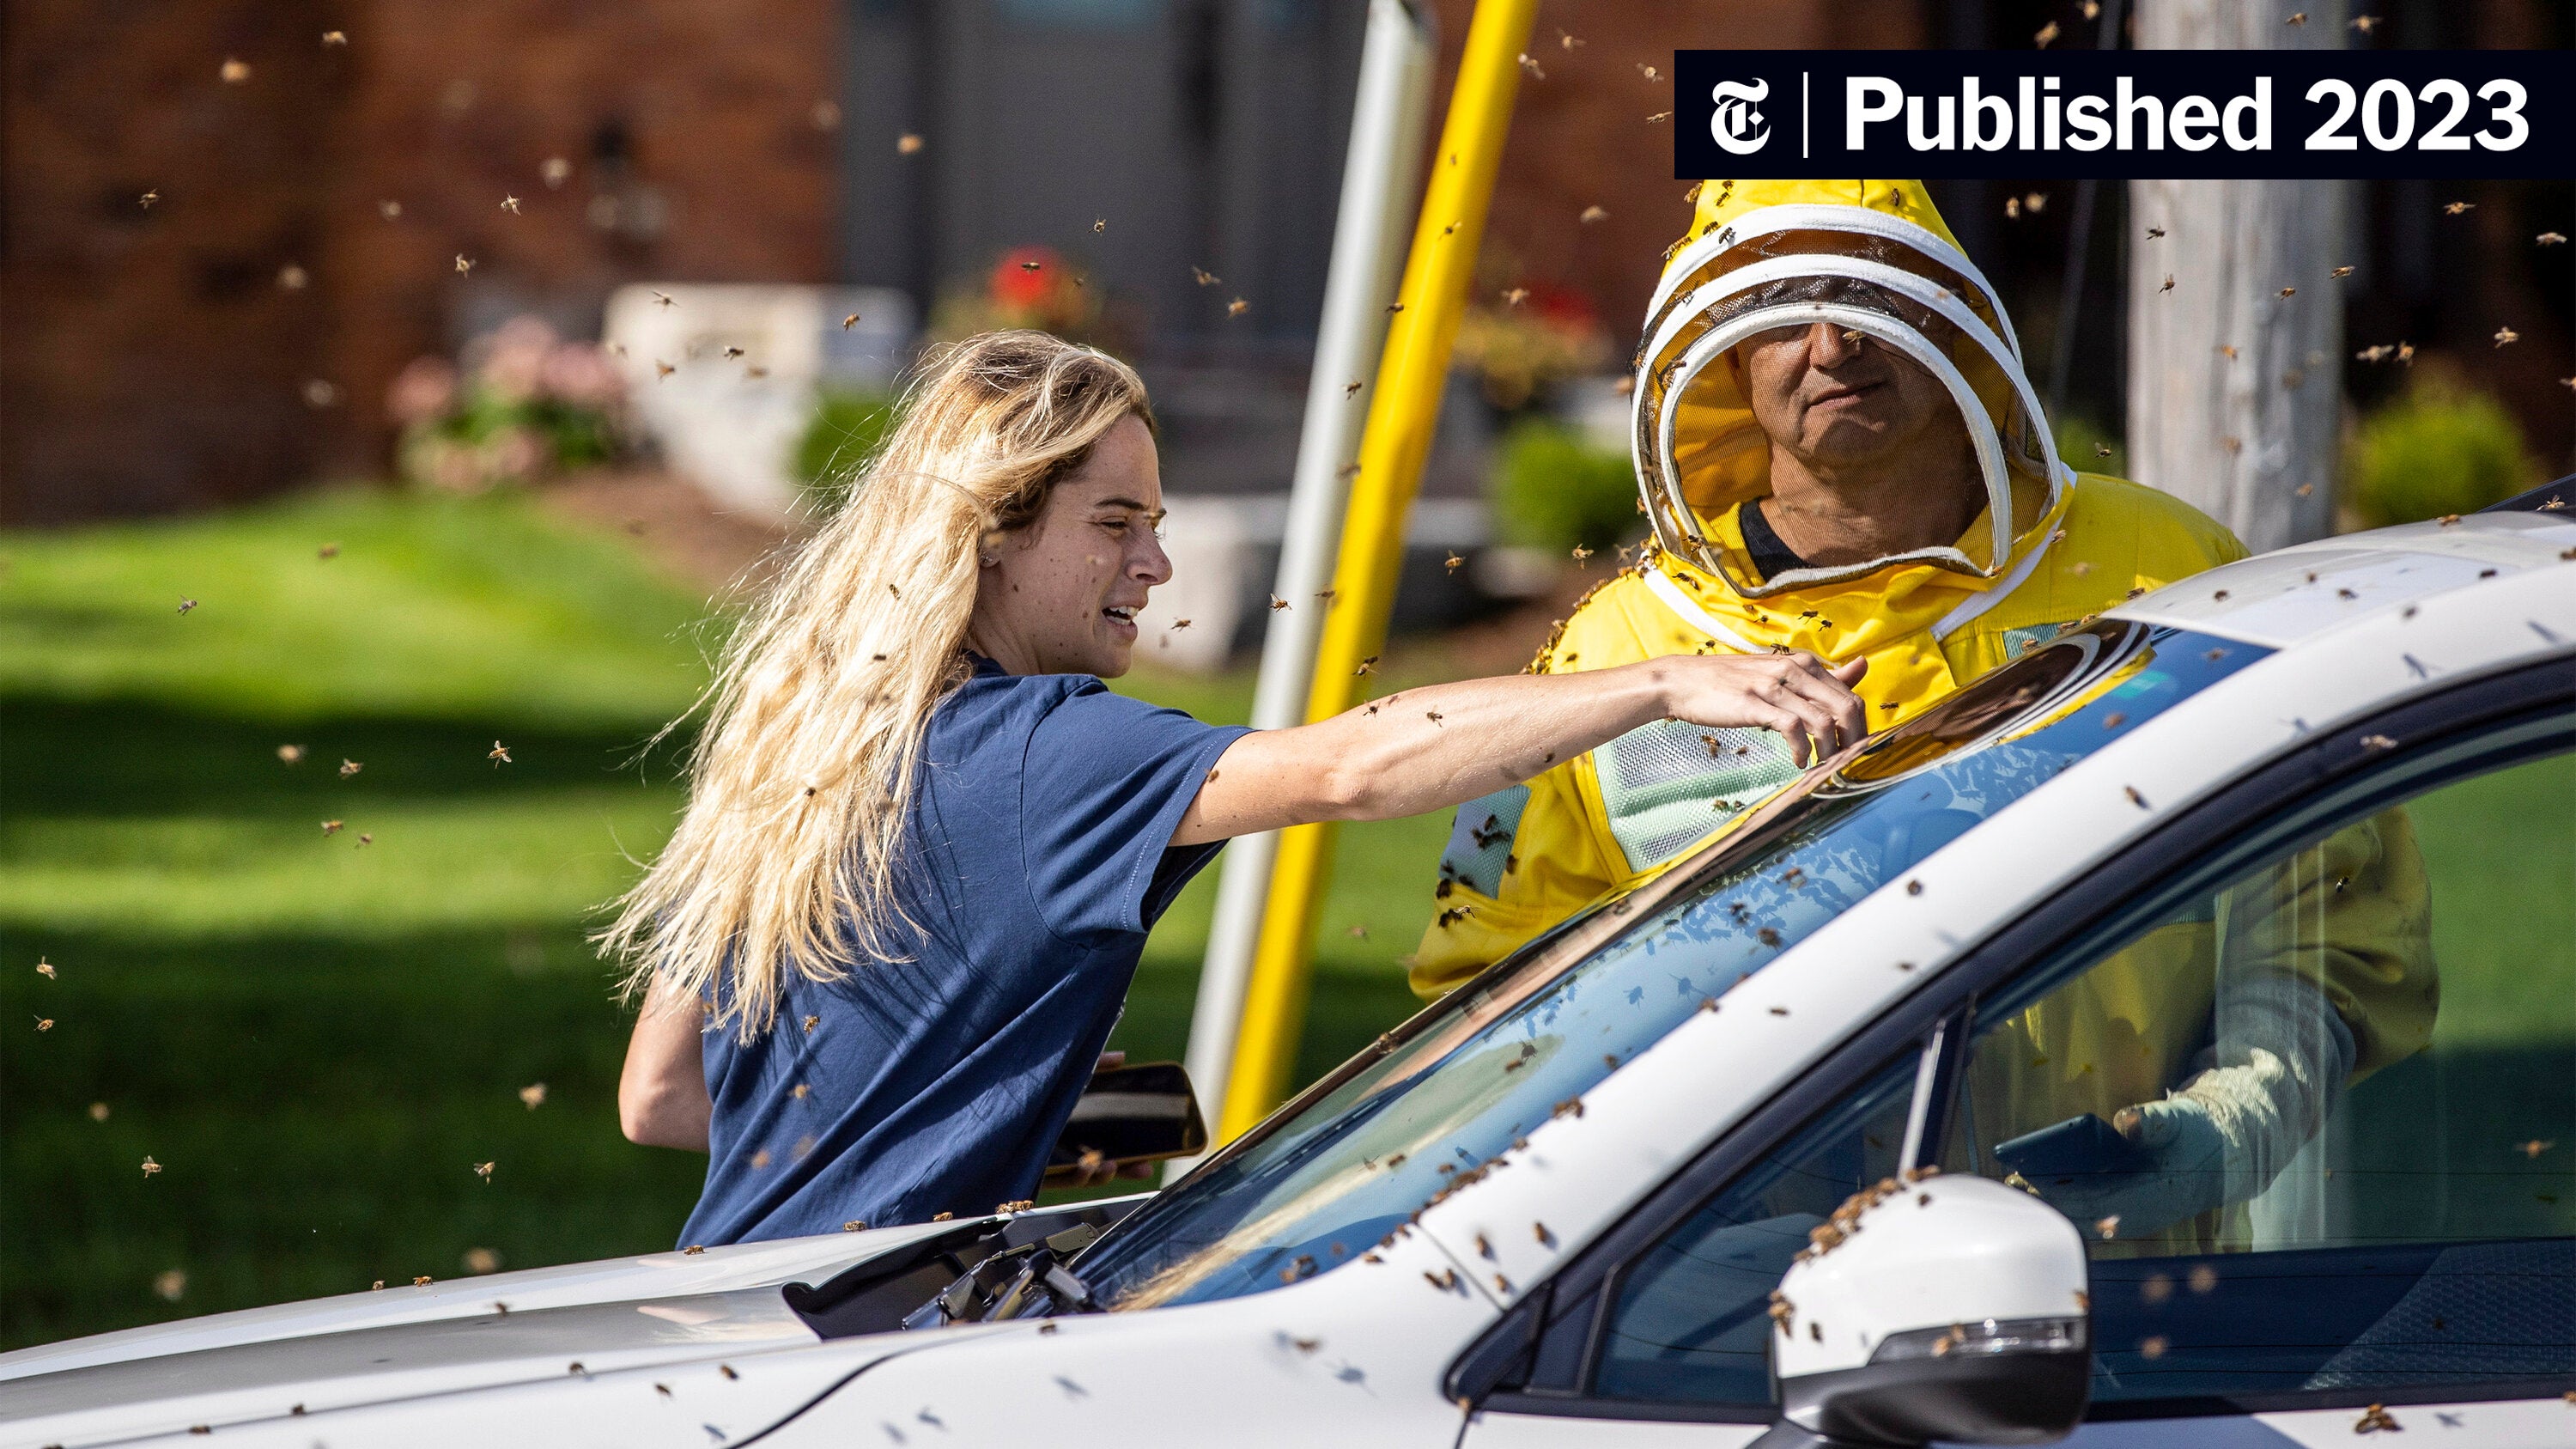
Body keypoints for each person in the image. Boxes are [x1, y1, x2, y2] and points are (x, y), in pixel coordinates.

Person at [608, 330, 1868, 1245]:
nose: (1155, 562)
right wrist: (1655, 685)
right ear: (993, 528)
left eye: (1154, 519)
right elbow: (1351, 763)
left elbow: (659, 1095)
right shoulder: (1046, 749)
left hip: (729, 1315)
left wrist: (996, 1103)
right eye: (1113, 520)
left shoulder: (809, 751)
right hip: (879, 1343)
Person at [1406, 179, 2427, 1249]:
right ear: (1724, 359)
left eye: (1867, 288)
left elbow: (2333, 890)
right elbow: (1487, 1004)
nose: (1834, 341)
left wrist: (2235, 1120)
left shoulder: (2164, 566)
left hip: (2129, 1295)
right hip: (1720, 1336)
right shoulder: (1616, 653)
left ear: (1947, 310)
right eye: (1785, 305)